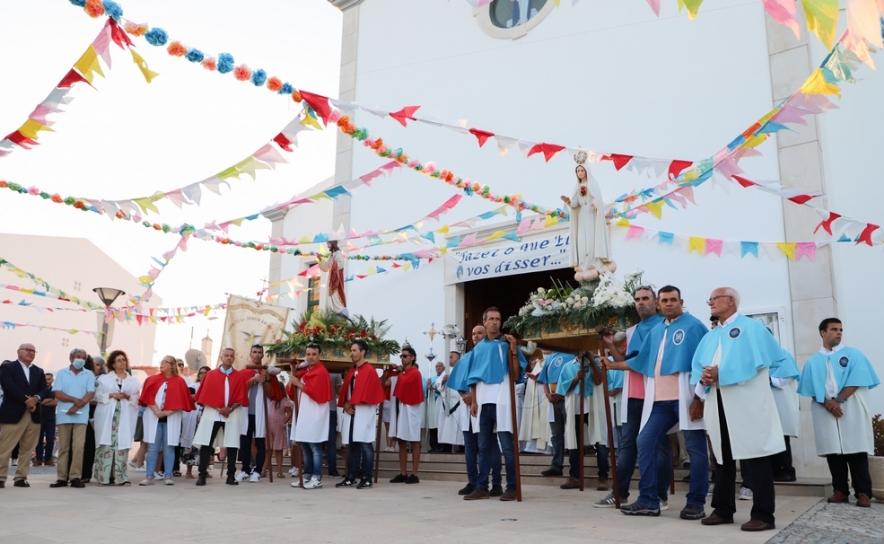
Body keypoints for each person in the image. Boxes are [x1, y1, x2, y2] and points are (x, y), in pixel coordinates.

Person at [692, 287, 786, 532]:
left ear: (730, 300)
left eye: (714, 298)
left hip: (747, 402)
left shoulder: (751, 328)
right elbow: (700, 367)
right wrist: (703, 383)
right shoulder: (711, 335)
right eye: (709, 298)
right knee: (722, 457)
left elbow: (758, 365)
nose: (709, 302)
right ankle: (723, 509)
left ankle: (764, 514)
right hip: (719, 402)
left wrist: (722, 374)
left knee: (756, 457)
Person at [615, 285, 709, 520]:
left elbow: (704, 363)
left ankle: (696, 503)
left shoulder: (694, 326)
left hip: (686, 397)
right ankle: (648, 500)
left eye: (673, 300)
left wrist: (699, 398)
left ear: (681, 301)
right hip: (659, 401)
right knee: (644, 441)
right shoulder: (656, 330)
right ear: (658, 304)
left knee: (696, 448)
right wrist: (611, 363)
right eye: (664, 300)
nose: (668, 304)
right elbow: (640, 361)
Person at [596, 286, 671, 508]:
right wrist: (611, 346)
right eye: (637, 299)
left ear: (655, 302)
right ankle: (619, 493)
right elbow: (626, 361)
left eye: (645, 298)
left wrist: (613, 364)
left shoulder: (665, 326)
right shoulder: (630, 331)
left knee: (661, 446)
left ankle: (660, 495)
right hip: (633, 395)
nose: (641, 302)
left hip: (658, 394)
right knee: (627, 445)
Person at [797, 318, 880, 508]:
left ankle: (863, 493)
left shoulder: (853, 354)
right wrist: (828, 403)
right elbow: (809, 388)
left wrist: (838, 400)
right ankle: (840, 490)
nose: (839, 333)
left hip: (850, 406)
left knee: (856, 450)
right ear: (823, 332)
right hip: (824, 408)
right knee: (834, 451)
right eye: (834, 329)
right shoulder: (813, 361)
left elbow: (857, 378)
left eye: (841, 329)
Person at [461, 307, 527, 502]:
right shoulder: (478, 348)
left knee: (507, 446)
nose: (494, 322)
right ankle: (482, 487)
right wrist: (473, 399)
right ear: (484, 321)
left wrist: (514, 351)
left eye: (497, 319)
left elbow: (515, 375)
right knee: (483, 447)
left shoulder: (507, 344)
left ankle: (512, 487)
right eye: (490, 319)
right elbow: (473, 376)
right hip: (483, 402)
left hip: (503, 401)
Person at [194, 348, 248, 486]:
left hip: (232, 413)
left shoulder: (239, 376)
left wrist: (230, 408)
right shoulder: (211, 375)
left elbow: (241, 397)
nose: (229, 358)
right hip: (213, 413)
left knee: (232, 445)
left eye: (231, 356)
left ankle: (231, 476)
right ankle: (202, 474)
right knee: (206, 443)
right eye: (226, 356)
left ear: (234, 359)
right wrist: (218, 408)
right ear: (222, 358)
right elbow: (204, 395)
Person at [139, 355, 195, 486]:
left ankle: (168, 475)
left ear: (172, 365)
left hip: (171, 418)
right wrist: (157, 411)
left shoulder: (180, 381)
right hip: (154, 417)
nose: (162, 363)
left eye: (165, 362)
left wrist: (167, 412)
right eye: (161, 361)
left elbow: (182, 401)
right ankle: (149, 476)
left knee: (169, 447)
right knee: (152, 447)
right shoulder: (152, 379)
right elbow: (147, 397)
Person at [336, 339, 385, 489]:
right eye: (351, 350)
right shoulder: (352, 371)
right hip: (351, 412)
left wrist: (352, 403)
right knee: (351, 445)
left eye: (354, 350)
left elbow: (368, 392)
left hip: (363, 411)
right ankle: (351, 476)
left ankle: (367, 477)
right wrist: (346, 403)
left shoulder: (369, 370)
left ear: (363, 352)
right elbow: (346, 392)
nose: (351, 353)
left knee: (365, 443)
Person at [0, 343, 49, 488]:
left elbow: (44, 389)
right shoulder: (7, 368)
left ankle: (21, 477)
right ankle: (1, 476)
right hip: (13, 413)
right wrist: (28, 400)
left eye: (33, 351)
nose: (31, 353)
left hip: (33, 414)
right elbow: (9, 386)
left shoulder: (38, 371)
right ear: (18, 351)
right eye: (28, 350)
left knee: (28, 448)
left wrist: (36, 398)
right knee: (5, 447)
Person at [560, 154, 613, 282]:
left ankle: (594, 262)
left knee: (591, 238)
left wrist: (595, 203)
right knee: (581, 240)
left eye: (582, 170)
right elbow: (575, 203)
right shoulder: (576, 187)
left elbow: (597, 198)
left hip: (592, 215)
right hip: (582, 215)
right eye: (578, 171)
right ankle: (583, 264)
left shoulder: (593, 184)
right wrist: (568, 201)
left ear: (586, 171)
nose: (580, 173)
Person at [93, 350, 140, 486]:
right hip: (107, 414)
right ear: (113, 364)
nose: (122, 362)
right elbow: (97, 396)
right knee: (106, 445)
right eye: (119, 360)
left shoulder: (133, 381)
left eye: (124, 359)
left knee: (122, 445)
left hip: (124, 415)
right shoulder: (104, 379)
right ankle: (104, 477)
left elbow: (137, 399)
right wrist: (111, 395)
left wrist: (127, 396)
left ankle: (121, 477)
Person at [50, 348, 95, 489]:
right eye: (78, 357)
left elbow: (90, 394)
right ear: (71, 358)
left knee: (78, 447)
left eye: (83, 357)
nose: (80, 359)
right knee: (64, 447)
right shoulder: (62, 373)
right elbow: (57, 393)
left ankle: (75, 477)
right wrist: (75, 400)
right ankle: (61, 477)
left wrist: (76, 407)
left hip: (81, 416)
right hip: (64, 415)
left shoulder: (89, 374)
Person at [289, 342, 332, 489]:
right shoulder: (304, 371)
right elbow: (291, 390)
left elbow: (316, 392)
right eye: (308, 354)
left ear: (319, 355)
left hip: (315, 413)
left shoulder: (321, 371)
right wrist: (293, 373)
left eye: (314, 354)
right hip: (304, 412)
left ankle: (317, 477)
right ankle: (307, 476)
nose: (311, 357)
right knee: (305, 446)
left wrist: (298, 384)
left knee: (314, 446)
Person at [236, 344, 279, 483]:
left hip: (260, 413)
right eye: (254, 352)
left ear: (262, 355)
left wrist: (266, 379)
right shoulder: (243, 372)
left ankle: (258, 471)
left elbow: (270, 394)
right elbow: (239, 391)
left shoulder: (267, 372)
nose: (256, 354)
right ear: (250, 354)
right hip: (245, 411)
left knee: (260, 442)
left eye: (259, 352)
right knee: (245, 443)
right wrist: (252, 380)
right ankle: (245, 470)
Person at [388, 346, 424, 484]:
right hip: (401, 407)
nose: (402, 358)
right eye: (401, 356)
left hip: (412, 407)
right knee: (401, 441)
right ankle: (403, 472)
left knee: (414, 441)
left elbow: (414, 389)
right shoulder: (401, 373)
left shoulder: (415, 373)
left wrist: (401, 372)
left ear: (412, 357)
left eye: (405, 356)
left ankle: (414, 474)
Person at [539, 351, 571, 478]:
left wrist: (562, 394)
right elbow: (544, 380)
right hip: (553, 401)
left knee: (572, 433)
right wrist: (547, 394)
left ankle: (575, 468)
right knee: (556, 434)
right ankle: (556, 465)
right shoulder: (550, 358)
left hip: (567, 399)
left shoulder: (572, 355)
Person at [770, 348, 800, 483]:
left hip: (781, 402)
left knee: (782, 436)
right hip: (767, 404)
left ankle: (788, 471)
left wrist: (766, 378)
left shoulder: (782, 354)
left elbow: (785, 378)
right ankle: (774, 471)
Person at [518, 350, 550, 454]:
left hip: (548, 395)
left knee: (547, 419)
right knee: (535, 417)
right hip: (537, 395)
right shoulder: (539, 363)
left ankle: (547, 449)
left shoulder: (556, 360)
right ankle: (532, 447)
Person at [181, 365, 210, 478]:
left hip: (207, 418)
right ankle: (189, 471)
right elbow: (191, 397)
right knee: (192, 445)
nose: (203, 375)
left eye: (206, 373)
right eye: (201, 372)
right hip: (194, 418)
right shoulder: (193, 386)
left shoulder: (213, 387)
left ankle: (204, 470)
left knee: (206, 444)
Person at [264, 369, 293, 479]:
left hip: (279, 424)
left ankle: (279, 471)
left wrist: (284, 422)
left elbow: (289, 413)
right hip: (270, 424)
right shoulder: (271, 399)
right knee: (269, 448)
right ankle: (264, 469)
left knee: (279, 449)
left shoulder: (284, 400)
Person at [436, 353, 464, 451]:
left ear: (457, 359)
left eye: (451, 357)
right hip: (446, 402)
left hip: (458, 403)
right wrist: (443, 380)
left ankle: (461, 447)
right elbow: (437, 383)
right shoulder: (445, 371)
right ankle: (446, 447)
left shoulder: (463, 369)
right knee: (446, 427)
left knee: (460, 426)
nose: (449, 359)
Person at [33, 372, 57, 467]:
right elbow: (36, 401)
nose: (47, 381)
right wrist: (48, 400)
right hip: (39, 417)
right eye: (45, 379)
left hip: (50, 418)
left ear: (52, 380)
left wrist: (41, 401)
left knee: (50, 439)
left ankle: (48, 459)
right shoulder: (39, 390)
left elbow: (55, 402)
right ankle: (38, 459)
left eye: (49, 379)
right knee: (38, 439)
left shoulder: (55, 390)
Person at [319, 240, 347, 315]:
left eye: (328, 243)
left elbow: (340, 264)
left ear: (333, 243)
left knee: (335, 294)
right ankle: (333, 310)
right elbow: (326, 267)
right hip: (331, 277)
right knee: (330, 294)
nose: (327, 245)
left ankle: (339, 309)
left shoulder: (338, 253)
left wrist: (334, 264)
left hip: (336, 278)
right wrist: (320, 260)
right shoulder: (331, 256)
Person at [326, 369, 343, 478]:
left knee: (331, 441)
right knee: (314, 440)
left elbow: (339, 391)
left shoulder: (335, 370)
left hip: (331, 409)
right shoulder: (312, 368)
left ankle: (332, 468)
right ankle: (311, 469)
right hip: (316, 409)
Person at [426, 361, 443, 452]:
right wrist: (428, 387)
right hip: (433, 402)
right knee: (433, 424)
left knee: (441, 424)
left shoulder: (445, 378)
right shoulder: (432, 379)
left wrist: (432, 389)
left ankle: (442, 446)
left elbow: (444, 391)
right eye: (437, 366)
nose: (438, 367)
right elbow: (427, 393)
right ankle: (434, 445)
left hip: (442, 403)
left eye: (440, 366)